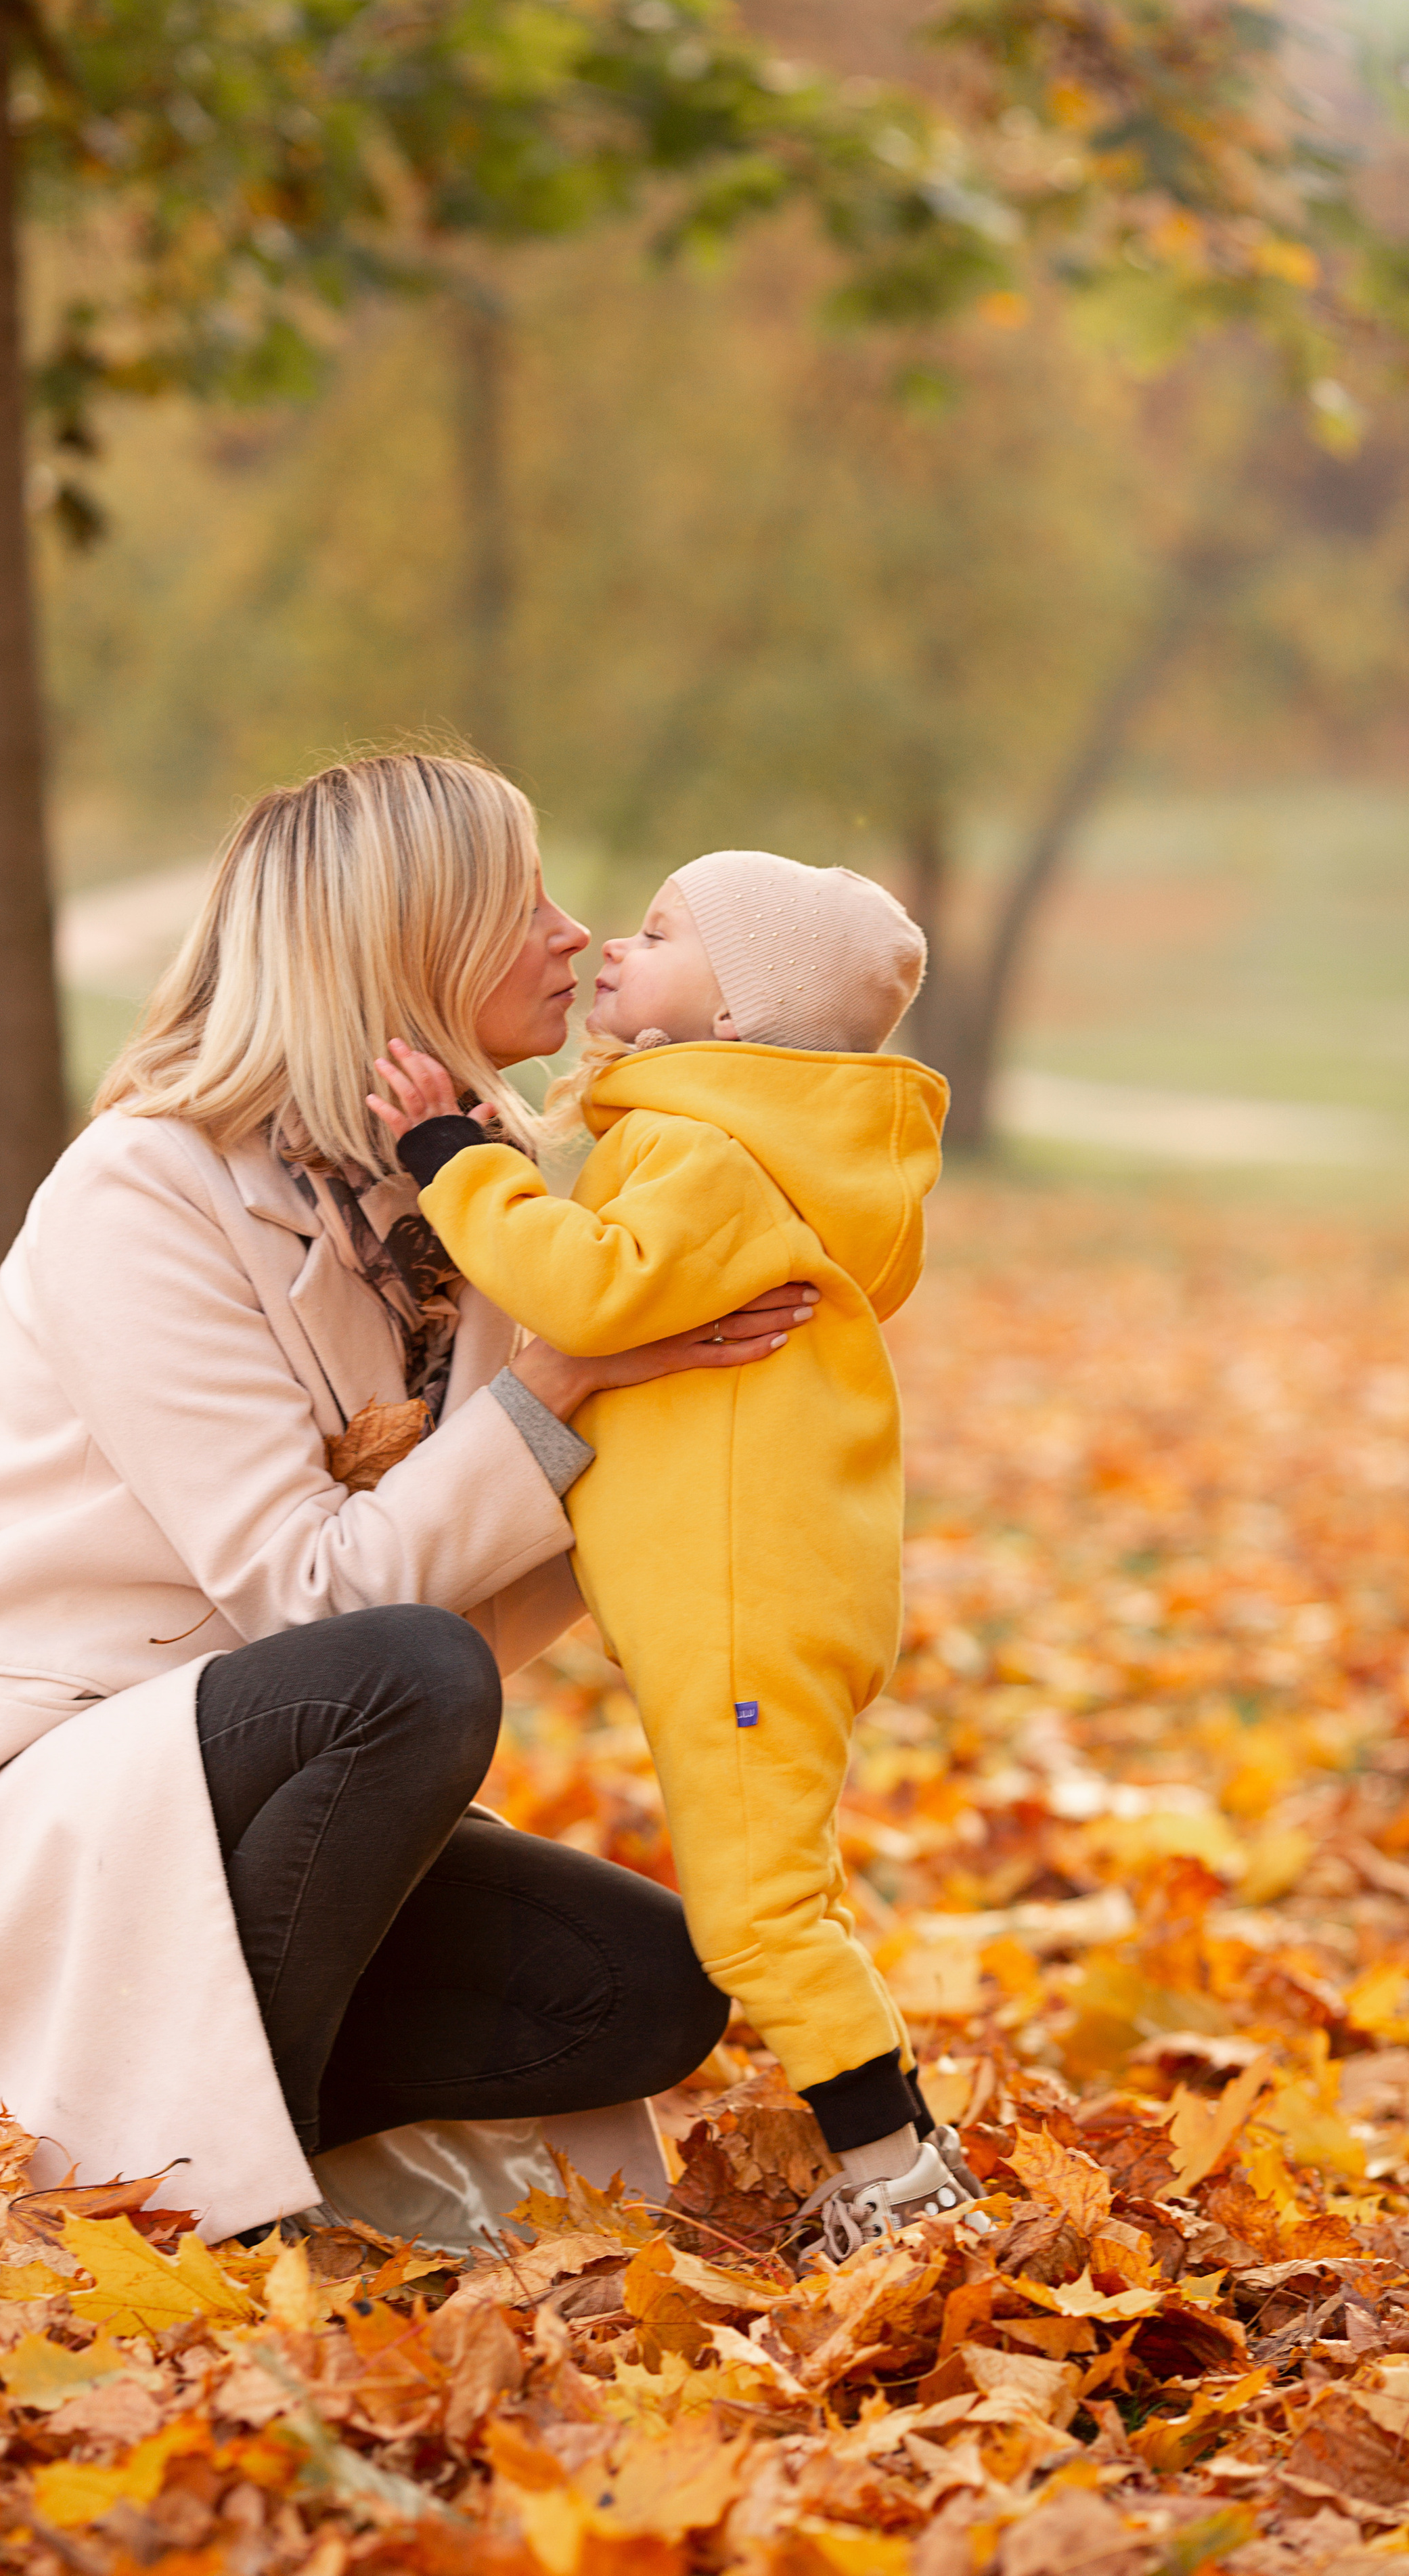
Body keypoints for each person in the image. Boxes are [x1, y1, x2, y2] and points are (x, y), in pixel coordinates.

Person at [0, 759, 816, 2246]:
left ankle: (211, 2132)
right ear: (403, 941)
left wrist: (690, 1398)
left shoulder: (469, 1194)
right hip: (53, 1793)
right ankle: (218, 2198)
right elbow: (314, 1605)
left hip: (269, 1775)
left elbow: (467, 1596)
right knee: (406, 1677)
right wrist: (557, 1386)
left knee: (645, 1987)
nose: (574, 934)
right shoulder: (142, 1190)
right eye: (521, 905)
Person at [368, 851, 989, 2259]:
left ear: (736, 1013)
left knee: (755, 1913)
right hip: (762, 1595)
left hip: (741, 1610)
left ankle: (891, 2174)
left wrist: (449, 1164)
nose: (609, 953)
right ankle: (899, 2140)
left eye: (653, 935)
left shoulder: (709, 1150)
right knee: (786, 1884)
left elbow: (584, 1290)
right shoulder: (733, 1137)